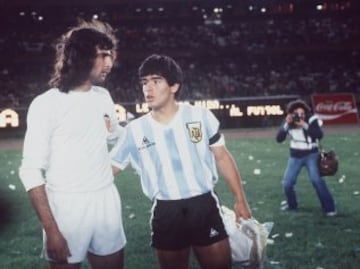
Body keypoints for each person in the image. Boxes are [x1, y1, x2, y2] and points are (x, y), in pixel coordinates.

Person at [110, 54, 252, 269]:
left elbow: (222, 157)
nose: (148, 88)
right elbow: (109, 169)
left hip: (203, 205)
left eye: (156, 81)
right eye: (144, 82)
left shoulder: (200, 116)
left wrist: (240, 199)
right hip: (166, 211)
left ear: (174, 86)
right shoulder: (134, 130)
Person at [18, 20, 126, 269]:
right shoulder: (47, 104)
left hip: (106, 200)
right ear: (80, 56)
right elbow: (30, 170)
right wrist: (51, 229)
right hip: (66, 207)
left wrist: (152, 126)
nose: (109, 63)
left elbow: (116, 135)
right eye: (103, 55)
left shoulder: (103, 97)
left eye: (110, 55)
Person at [276, 99, 336, 216]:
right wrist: (286, 125)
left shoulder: (312, 119)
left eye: (303, 114)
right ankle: (292, 204)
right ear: (292, 113)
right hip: (295, 155)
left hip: (311, 154)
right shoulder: (289, 120)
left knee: (317, 180)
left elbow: (319, 135)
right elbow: (279, 139)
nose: (300, 116)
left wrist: (304, 125)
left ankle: (329, 208)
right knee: (287, 183)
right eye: (297, 114)